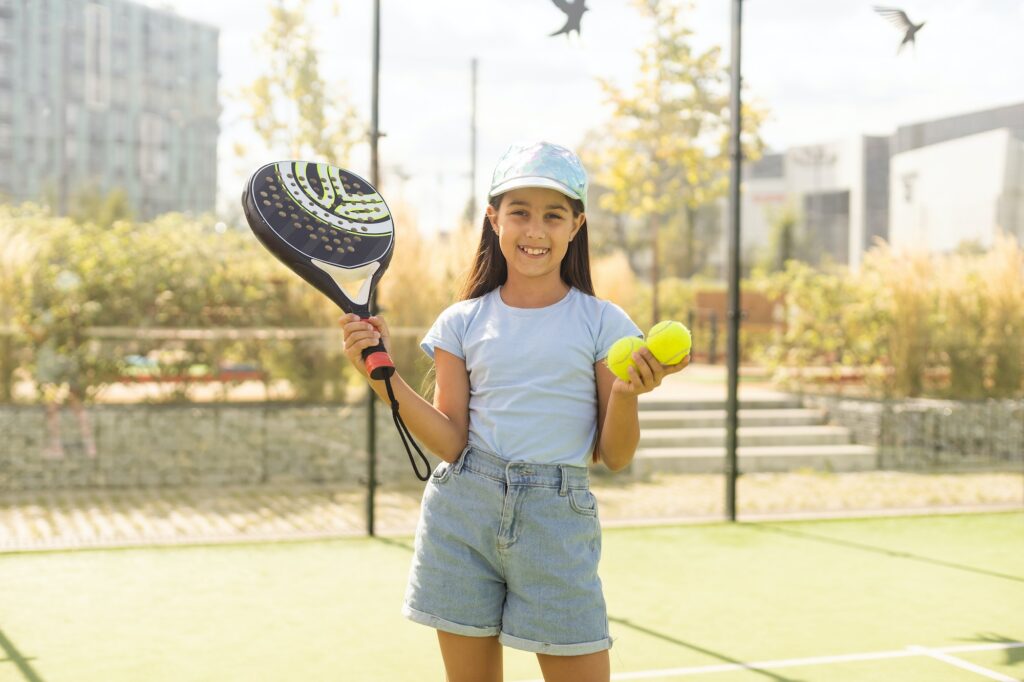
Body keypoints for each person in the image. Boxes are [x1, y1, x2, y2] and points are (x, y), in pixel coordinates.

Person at [341, 141, 689, 682]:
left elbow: (615, 457)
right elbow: (453, 440)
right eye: (519, 212)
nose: (535, 230)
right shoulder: (460, 322)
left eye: (553, 215)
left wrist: (625, 395)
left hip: (556, 521)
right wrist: (380, 377)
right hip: (463, 514)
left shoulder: (603, 322)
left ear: (576, 226)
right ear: (493, 219)